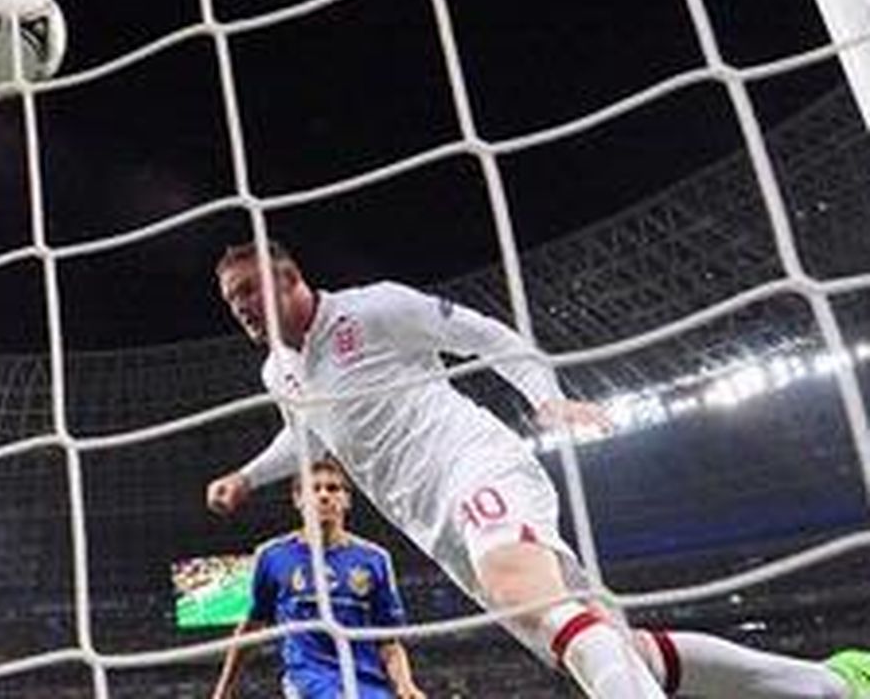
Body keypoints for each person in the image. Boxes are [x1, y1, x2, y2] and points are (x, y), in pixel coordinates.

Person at [205, 240, 870, 698]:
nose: (241, 307)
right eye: (232, 300)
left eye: (249, 290)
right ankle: (828, 685)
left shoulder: (373, 309)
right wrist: (247, 477)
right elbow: (308, 434)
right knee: (613, 649)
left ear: (289, 278)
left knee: (526, 592)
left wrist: (546, 398)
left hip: (476, 467)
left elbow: (485, 335)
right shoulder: (278, 371)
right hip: (434, 527)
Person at [211, 458, 425, 699]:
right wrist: (223, 690)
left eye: (333, 488)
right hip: (308, 682)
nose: (324, 496)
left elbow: (388, 641)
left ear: (347, 500)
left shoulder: (375, 559)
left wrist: (406, 685)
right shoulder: (273, 556)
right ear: (298, 499)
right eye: (314, 489)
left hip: (367, 686)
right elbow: (252, 627)